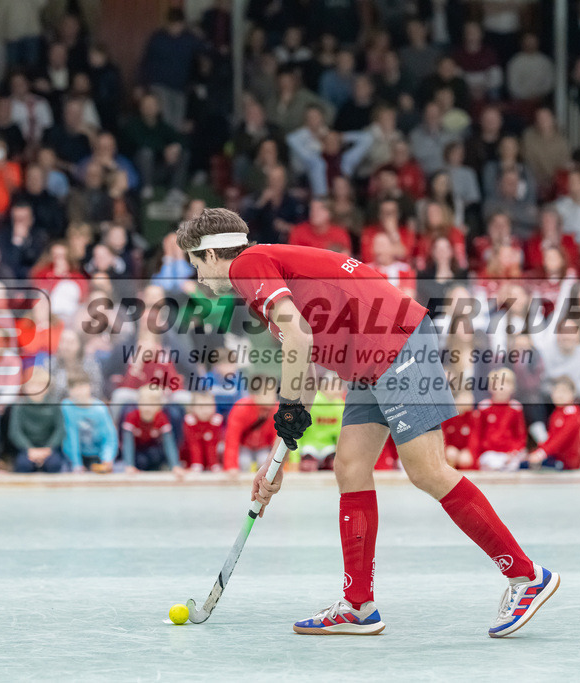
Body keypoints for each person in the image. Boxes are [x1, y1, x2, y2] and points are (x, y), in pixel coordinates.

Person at [177, 208, 559, 637]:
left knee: (426, 469)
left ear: (210, 254)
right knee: (351, 466)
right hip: (368, 360)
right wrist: (274, 462)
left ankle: (526, 575)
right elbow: (307, 362)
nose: (196, 275)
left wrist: (286, 410)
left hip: (394, 343)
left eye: (193, 262)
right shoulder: (268, 264)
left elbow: (298, 338)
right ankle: (358, 606)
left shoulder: (248, 266)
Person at [9, 368, 66, 473]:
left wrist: (48, 448)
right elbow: (15, 432)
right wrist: (29, 449)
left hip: (49, 448)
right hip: (27, 449)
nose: (36, 389)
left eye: (40, 385)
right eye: (31, 385)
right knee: (23, 465)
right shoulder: (19, 406)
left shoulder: (55, 405)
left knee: (54, 464)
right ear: (25, 387)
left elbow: (60, 430)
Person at [120, 383, 183, 474]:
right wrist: (129, 465)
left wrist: (175, 465)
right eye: (144, 403)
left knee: (156, 455)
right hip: (137, 453)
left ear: (159, 406)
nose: (147, 408)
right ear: (138, 403)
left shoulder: (162, 418)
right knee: (140, 460)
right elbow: (127, 443)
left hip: (153, 452)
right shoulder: (131, 417)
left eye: (152, 404)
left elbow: (169, 443)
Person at [61, 373, 118, 473]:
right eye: (74, 388)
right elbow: (70, 437)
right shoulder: (66, 407)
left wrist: (107, 459)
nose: (79, 391)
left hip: (96, 455)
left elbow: (110, 437)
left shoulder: (100, 409)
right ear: (69, 391)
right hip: (73, 457)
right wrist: (76, 464)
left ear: (89, 387)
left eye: (82, 386)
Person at [527, 377, 580, 470]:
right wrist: (539, 451)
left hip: (567, 462)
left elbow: (561, 439)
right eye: (556, 392)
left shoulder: (573, 413)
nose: (559, 395)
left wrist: (541, 453)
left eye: (563, 392)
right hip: (554, 458)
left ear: (573, 394)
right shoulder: (556, 413)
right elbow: (551, 438)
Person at [181, 391, 223, 472]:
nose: (205, 411)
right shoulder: (190, 421)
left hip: (212, 460)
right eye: (201, 407)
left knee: (221, 446)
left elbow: (213, 444)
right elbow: (194, 444)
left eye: (209, 406)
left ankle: (212, 465)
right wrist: (197, 464)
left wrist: (213, 465)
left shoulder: (216, 421)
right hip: (191, 461)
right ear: (193, 408)